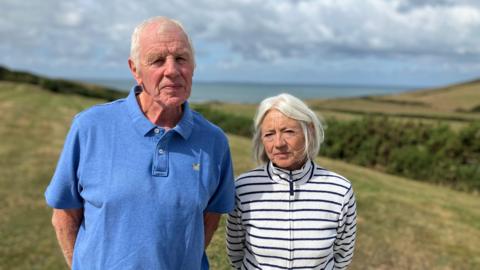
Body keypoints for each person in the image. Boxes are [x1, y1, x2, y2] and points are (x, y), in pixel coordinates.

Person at [45, 16, 235, 269]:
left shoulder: (214, 141)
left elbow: (210, 218)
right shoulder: (90, 127)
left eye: (181, 58)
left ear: (193, 65)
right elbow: (64, 216)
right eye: (157, 60)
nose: (172, 70)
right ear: (135, 70)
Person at [226, 93, 357, 269]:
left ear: (309, 131)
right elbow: (236, 254)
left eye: (288, 131)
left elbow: (342, 258)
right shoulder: (242, 188)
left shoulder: (339, 190)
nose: (278, 143)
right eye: (269, 134)